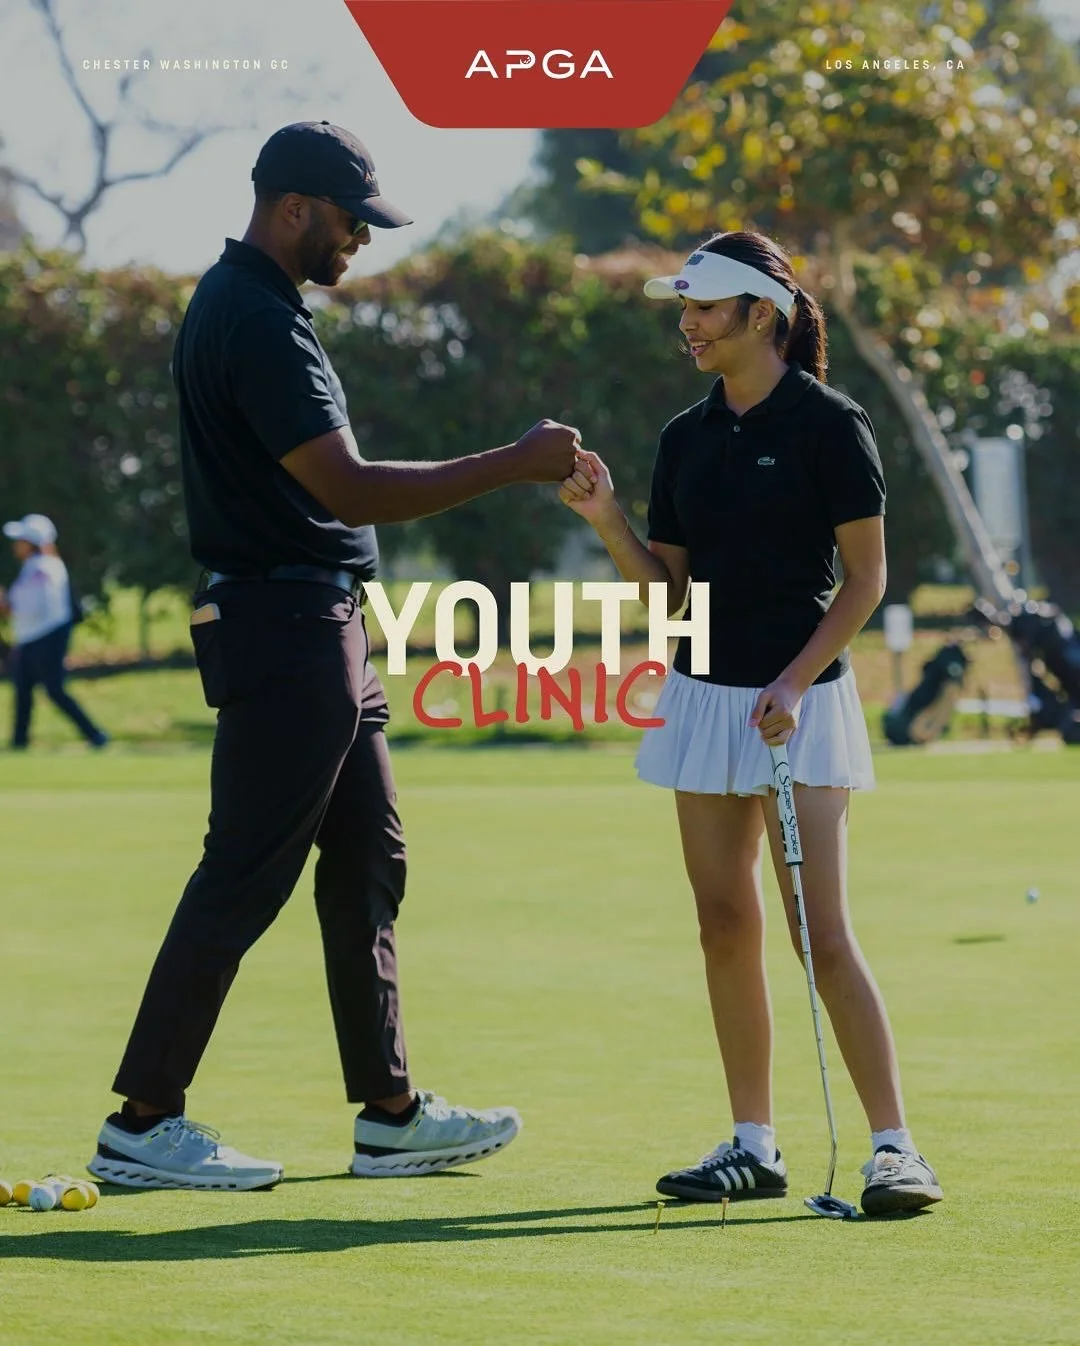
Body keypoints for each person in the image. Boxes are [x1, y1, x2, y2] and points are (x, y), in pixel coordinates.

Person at [88, 121, 583, 1192]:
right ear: (295, 208)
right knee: (243, 872)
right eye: (352, 220)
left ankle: (391, 1112)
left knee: (369, 859)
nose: (361, 239)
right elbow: (348, 486)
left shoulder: (261, 307)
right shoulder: (255, 320)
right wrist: (516, 462)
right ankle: (142, 1119)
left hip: (324, 631)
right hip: (287, 631)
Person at [560, 231, 943, 1217]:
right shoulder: (683, 438)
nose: (685, 323)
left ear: (759, 315)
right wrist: (608, 522)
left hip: (802, 705)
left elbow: (866, 579)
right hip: (702, 698)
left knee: (821, 931)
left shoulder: (831, 424)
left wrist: (797, 679)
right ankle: (752, 1142)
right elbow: (673, 598)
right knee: (723, 922)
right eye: (681, 307)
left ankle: (896, 1148)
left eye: (702, 307)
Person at [0, 513, 107, 751]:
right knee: (23, 691)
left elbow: (32, 607)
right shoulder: (34, 567)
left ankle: (96, 735)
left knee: (54, 689)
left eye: (21, 540)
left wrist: (7, 604)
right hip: (32, 638)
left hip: (47, 637)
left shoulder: (43, 568)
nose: (15, 545)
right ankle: (19, 742)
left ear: (32, 542)